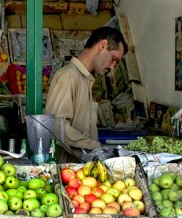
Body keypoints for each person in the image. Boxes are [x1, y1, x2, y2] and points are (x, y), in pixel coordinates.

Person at [44, 26, 128, 163]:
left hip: (81, 170)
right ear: (102, 45)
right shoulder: (69, 76)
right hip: (68, 170)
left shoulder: (85, 79)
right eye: (113, 59)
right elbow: (57, 127)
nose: (112, 67)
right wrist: (97, 147)